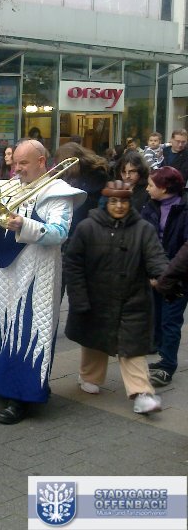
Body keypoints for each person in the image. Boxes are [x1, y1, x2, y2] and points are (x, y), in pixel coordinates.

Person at [0, 140, 85, 424]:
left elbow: (60, 232)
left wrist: (24, 224)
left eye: (23, 163)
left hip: (36, 271)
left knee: (28, 329)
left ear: (41, 161)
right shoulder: (9, 186)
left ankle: (21, 396)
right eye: (15, 163)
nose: (17, 169)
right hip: (3, 271)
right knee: (0, 324)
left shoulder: (58, 191)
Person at [64, 181, 167, 415]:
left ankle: (142, 394)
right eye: (113, 201)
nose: (119, 206)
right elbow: (73, 263)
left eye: (123, 201)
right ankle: (89, 377)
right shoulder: (87, 227)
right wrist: (78, 296)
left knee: (132, 347)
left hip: (133, 299)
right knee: (95, 340)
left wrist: (166, 277)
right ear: (105, 202)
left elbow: (156, 258)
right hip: (96, 297)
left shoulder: (143, 229)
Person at [141, 166, 188, 388]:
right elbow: (144, 239)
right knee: (157, 317)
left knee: (171, 321)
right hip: (155, 272)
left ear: (164, 187)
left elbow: (185, 251)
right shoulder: (150, 206)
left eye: (151, 185)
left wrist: (165, 277)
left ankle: (168, 366)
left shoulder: (184, 209)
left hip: (178, 276)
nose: (147, 188)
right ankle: (162, 356)